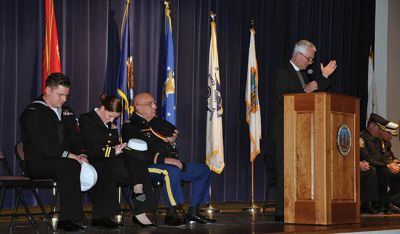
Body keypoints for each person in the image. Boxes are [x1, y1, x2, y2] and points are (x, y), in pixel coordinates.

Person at [122, 92, 216, 226]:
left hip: (169, 162)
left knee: (203, 170)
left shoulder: (156, 121)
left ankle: (193, 211)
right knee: (171, 171)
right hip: (145, 167)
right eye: (151, 104)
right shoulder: (130, 127)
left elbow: (172, 131)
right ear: (139, 108)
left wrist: (171, 142)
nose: (155, 106)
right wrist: (164, 160)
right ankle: (171, 212)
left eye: (154, 103)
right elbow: (137, 154)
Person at [270, 40, 337, 221]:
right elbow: (283, 98)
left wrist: (323, 77)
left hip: (301, 130)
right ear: (298, 55)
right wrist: (304, 90)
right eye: (308, 59)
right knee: (285, 170)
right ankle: (282, 212)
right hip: (284, 130)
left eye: (311, 60)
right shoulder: (283, 73)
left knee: (300, 170)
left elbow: (313, 97)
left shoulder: (304, 75)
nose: (310, 63)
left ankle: (299, 206)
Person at [19, 73, 88, 231]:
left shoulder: (67, 112)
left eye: (66, 95)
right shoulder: (32, 112)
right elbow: (42, 145)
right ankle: (67, 219)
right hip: (37, 162)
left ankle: (93, 215)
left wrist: (82, 154)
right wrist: (70, 155)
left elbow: (75, 138)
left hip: (61, 161)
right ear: (47, 90)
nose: (64, 99)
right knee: (70, 166)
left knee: (85, 163)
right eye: (60, 95)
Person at [78, 94, 157, 227]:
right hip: (94, 160)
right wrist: (114, 150)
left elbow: (113, 144)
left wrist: (118, 147)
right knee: (114, 168)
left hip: (110, 159)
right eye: (110, 115)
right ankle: (107, 215)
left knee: (137, 161)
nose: (112, 119)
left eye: (115, 117)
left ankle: (140, 202)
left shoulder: (110, 123)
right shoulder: (87, 119)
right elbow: (92, 148)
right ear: (102, 108)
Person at [360, 113, 400, 214]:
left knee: (395, 171)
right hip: (369, 167)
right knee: (383, 171)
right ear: (371, 126)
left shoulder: (378, 140)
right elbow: (367, 158)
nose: (380, 131)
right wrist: (387, 165)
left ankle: (391, 201)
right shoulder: (362, 138)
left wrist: (392, 163)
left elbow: (383, 156)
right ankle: (379, 203)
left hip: (380, 166)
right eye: (379, 128)